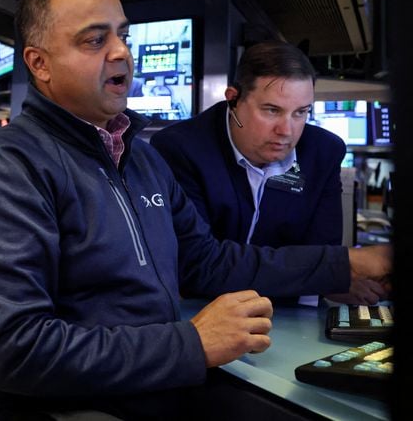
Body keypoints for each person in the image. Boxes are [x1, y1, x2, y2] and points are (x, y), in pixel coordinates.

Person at [0, 0, 391, 419]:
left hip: (154, 389)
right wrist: (191, 342)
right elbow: (18, 351)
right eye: (95, 40)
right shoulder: (6, 170)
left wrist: (347, 264)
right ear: (39, 64)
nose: (121, 52)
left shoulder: (141, 158)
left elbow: (208, 262)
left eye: (123, 35)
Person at [150, 41, 385, 305]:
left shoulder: (323, 152)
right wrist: (336, 270)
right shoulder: (181, 149)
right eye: (272, 110)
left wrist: (332, 276)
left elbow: (322, 253)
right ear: (233, 99)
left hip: (288, 312)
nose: (287, 131)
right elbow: (198, 266)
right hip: (203, 310)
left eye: (300, 112)